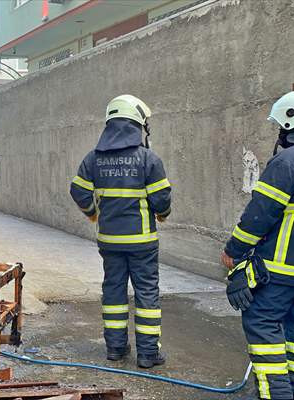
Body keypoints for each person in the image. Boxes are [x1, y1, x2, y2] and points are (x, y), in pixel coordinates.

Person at [221, 90, 294, 400]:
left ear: (290, 122)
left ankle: (276, 395)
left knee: (262, 327)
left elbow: (260, 214)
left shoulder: (290, 159)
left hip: (277, 272)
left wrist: (234, 251)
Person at [69, 95, 171, 369]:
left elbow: (78, 189)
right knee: (146, 294)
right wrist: (161, 214)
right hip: (142, 242)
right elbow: (162, 200)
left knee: (113, 292)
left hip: (110, 241)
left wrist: (93, 212)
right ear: (137, 124)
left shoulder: (93, 158)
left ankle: (115, 348)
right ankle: (148, 354)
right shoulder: (148, 159)